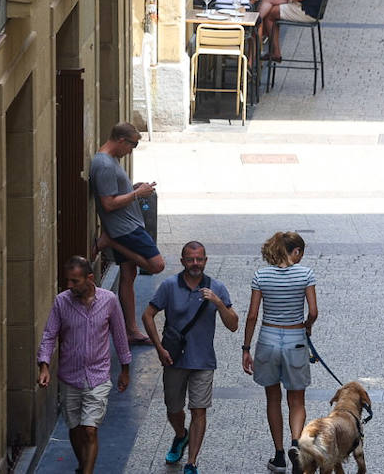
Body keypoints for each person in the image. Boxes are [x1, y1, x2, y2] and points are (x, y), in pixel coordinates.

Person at [142, 242, 238, 474]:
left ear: (206, 261)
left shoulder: (217, 288)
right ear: (183, 261)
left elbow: (233, 324)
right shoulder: (169, 286)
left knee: (199, 410)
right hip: (174, 359)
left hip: (203, 361)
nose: (195, 264)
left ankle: (191, 462)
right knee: (173, 408)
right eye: (190, 259)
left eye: (199, 259)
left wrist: (217, 302)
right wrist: (159, 348)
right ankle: (180, 434)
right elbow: (148, 315)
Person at [37, 256, 131, 474]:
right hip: (70, 377)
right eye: (67, 281)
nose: (69, 286)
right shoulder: (62, 301)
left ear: (89, 278)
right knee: (75, 428)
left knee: (90, 430)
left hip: (98, 376)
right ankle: (83, 465)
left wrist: (125, 369)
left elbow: (119, 335)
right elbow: (50, 334)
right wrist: (43, 365)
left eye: (74, 281)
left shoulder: (109, 300)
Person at [241, 231, 318, 474]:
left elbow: (253, 315)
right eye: (300, 252)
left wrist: (245, 347)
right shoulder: (305, 274)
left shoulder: (261, 276)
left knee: (272, 398)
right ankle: (296, 443)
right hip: (295, 338)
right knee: (297, 399)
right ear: (294, 251)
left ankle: (279, 455)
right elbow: (314, 311)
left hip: (268, 339)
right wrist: (307, 326)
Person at [89, 123, 164, 343]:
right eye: (133, 145)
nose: (132, 150)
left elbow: (114, 193)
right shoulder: (103, 164)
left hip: (127, 224)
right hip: (124, 229)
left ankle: (131, 330)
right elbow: (109, 203)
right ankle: (109, 241)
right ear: (121, 140)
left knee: (128, 276)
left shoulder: (111, 161)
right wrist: (137, 193)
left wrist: (133, 189)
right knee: (156, 265)